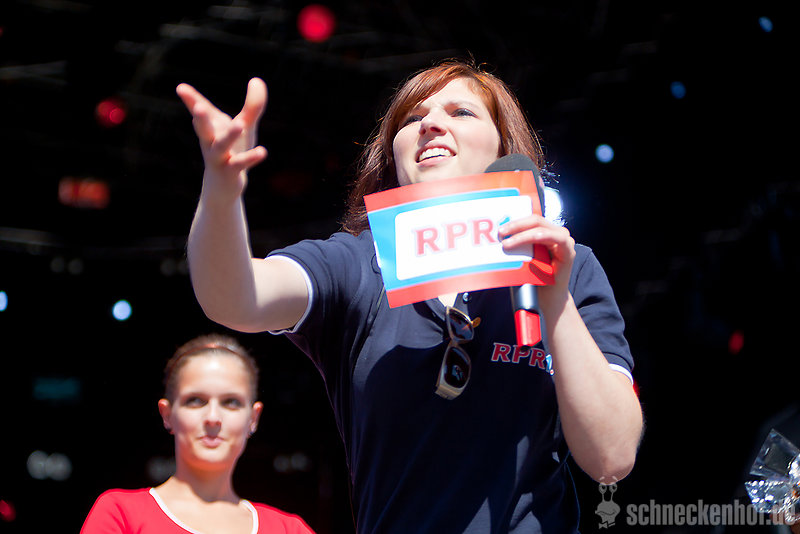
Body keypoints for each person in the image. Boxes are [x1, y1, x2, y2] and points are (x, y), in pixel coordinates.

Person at [177, 59, 644, 533]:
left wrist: (554, 300)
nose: (431, 124)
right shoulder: (358, 264)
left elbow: (612, 457)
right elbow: (234, 299)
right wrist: (220, 190)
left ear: (503, 147)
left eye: (461, 112)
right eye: (412, 118)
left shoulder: (569, 267)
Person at [81, 333, 315, 534]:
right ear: (167, 414)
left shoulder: (289, 529)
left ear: (253, 418)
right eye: (195, 401)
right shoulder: (121, 515)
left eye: (231, 402)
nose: (213, 417)